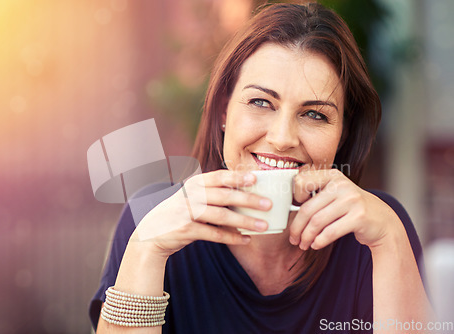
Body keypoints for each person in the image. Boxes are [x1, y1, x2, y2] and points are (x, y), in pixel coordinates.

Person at [90, 2, 432, 333]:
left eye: (315, 114)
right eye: (260, 102)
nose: (282, 138)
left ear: (342, 132)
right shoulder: (150, 216)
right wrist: (147, 248)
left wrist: (389, 240)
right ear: (224, 111)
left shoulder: (379, 232)